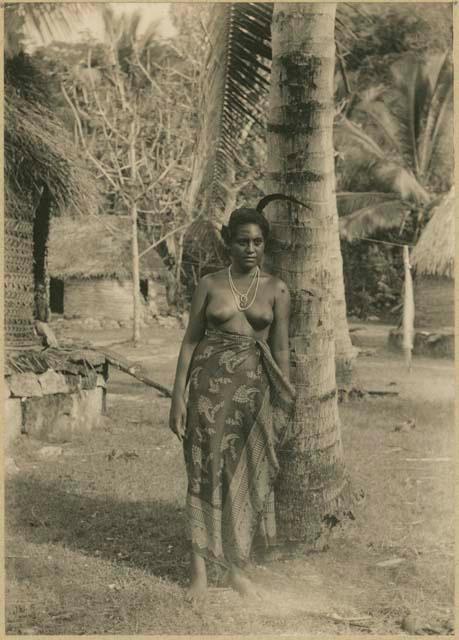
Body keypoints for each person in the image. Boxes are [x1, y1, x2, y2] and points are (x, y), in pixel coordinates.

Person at [169, 194, 300, 604]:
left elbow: (280, 351)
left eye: (258, 242)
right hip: (207, 394)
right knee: (203, 470)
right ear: (228, 241)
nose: (250, 249)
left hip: (252, 398)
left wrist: (285, 398)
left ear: (265, 244)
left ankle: (237, 569)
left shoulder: (276, 288)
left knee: (243, 475)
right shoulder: (209, 284)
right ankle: (200, 572)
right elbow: (190, 344)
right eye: (242, 241)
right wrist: (178, 399)